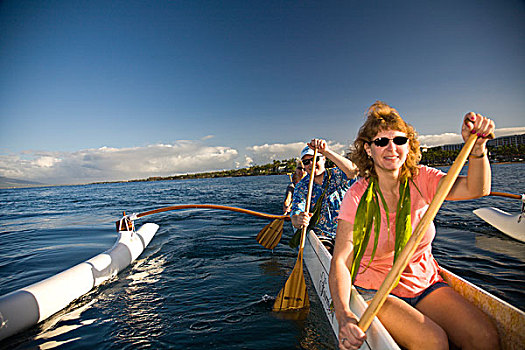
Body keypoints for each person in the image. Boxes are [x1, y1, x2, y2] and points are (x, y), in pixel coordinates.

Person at [329, 101, 499, 350]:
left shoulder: (423, 179)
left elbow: (477, 189)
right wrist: (344, 315)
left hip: (423, 282)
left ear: (408, 146)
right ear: (368, 149)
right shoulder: (357, 195)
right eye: (381, 142)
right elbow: (341, 260)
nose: (391, 148)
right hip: (375, 288)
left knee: (484, 338)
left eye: (399, 140)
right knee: (433, 342)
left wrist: (477, 149)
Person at [290, 139, 359, 242]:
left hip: (349, 232)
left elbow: (353, 172)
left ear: (324, 159)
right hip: (323, 237)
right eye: (306, 162)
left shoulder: (337, 174)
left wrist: (326, 151)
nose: (311, 164)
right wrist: (299, 219)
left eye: (315, 159)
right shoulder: (301, 186)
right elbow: (295, 215)